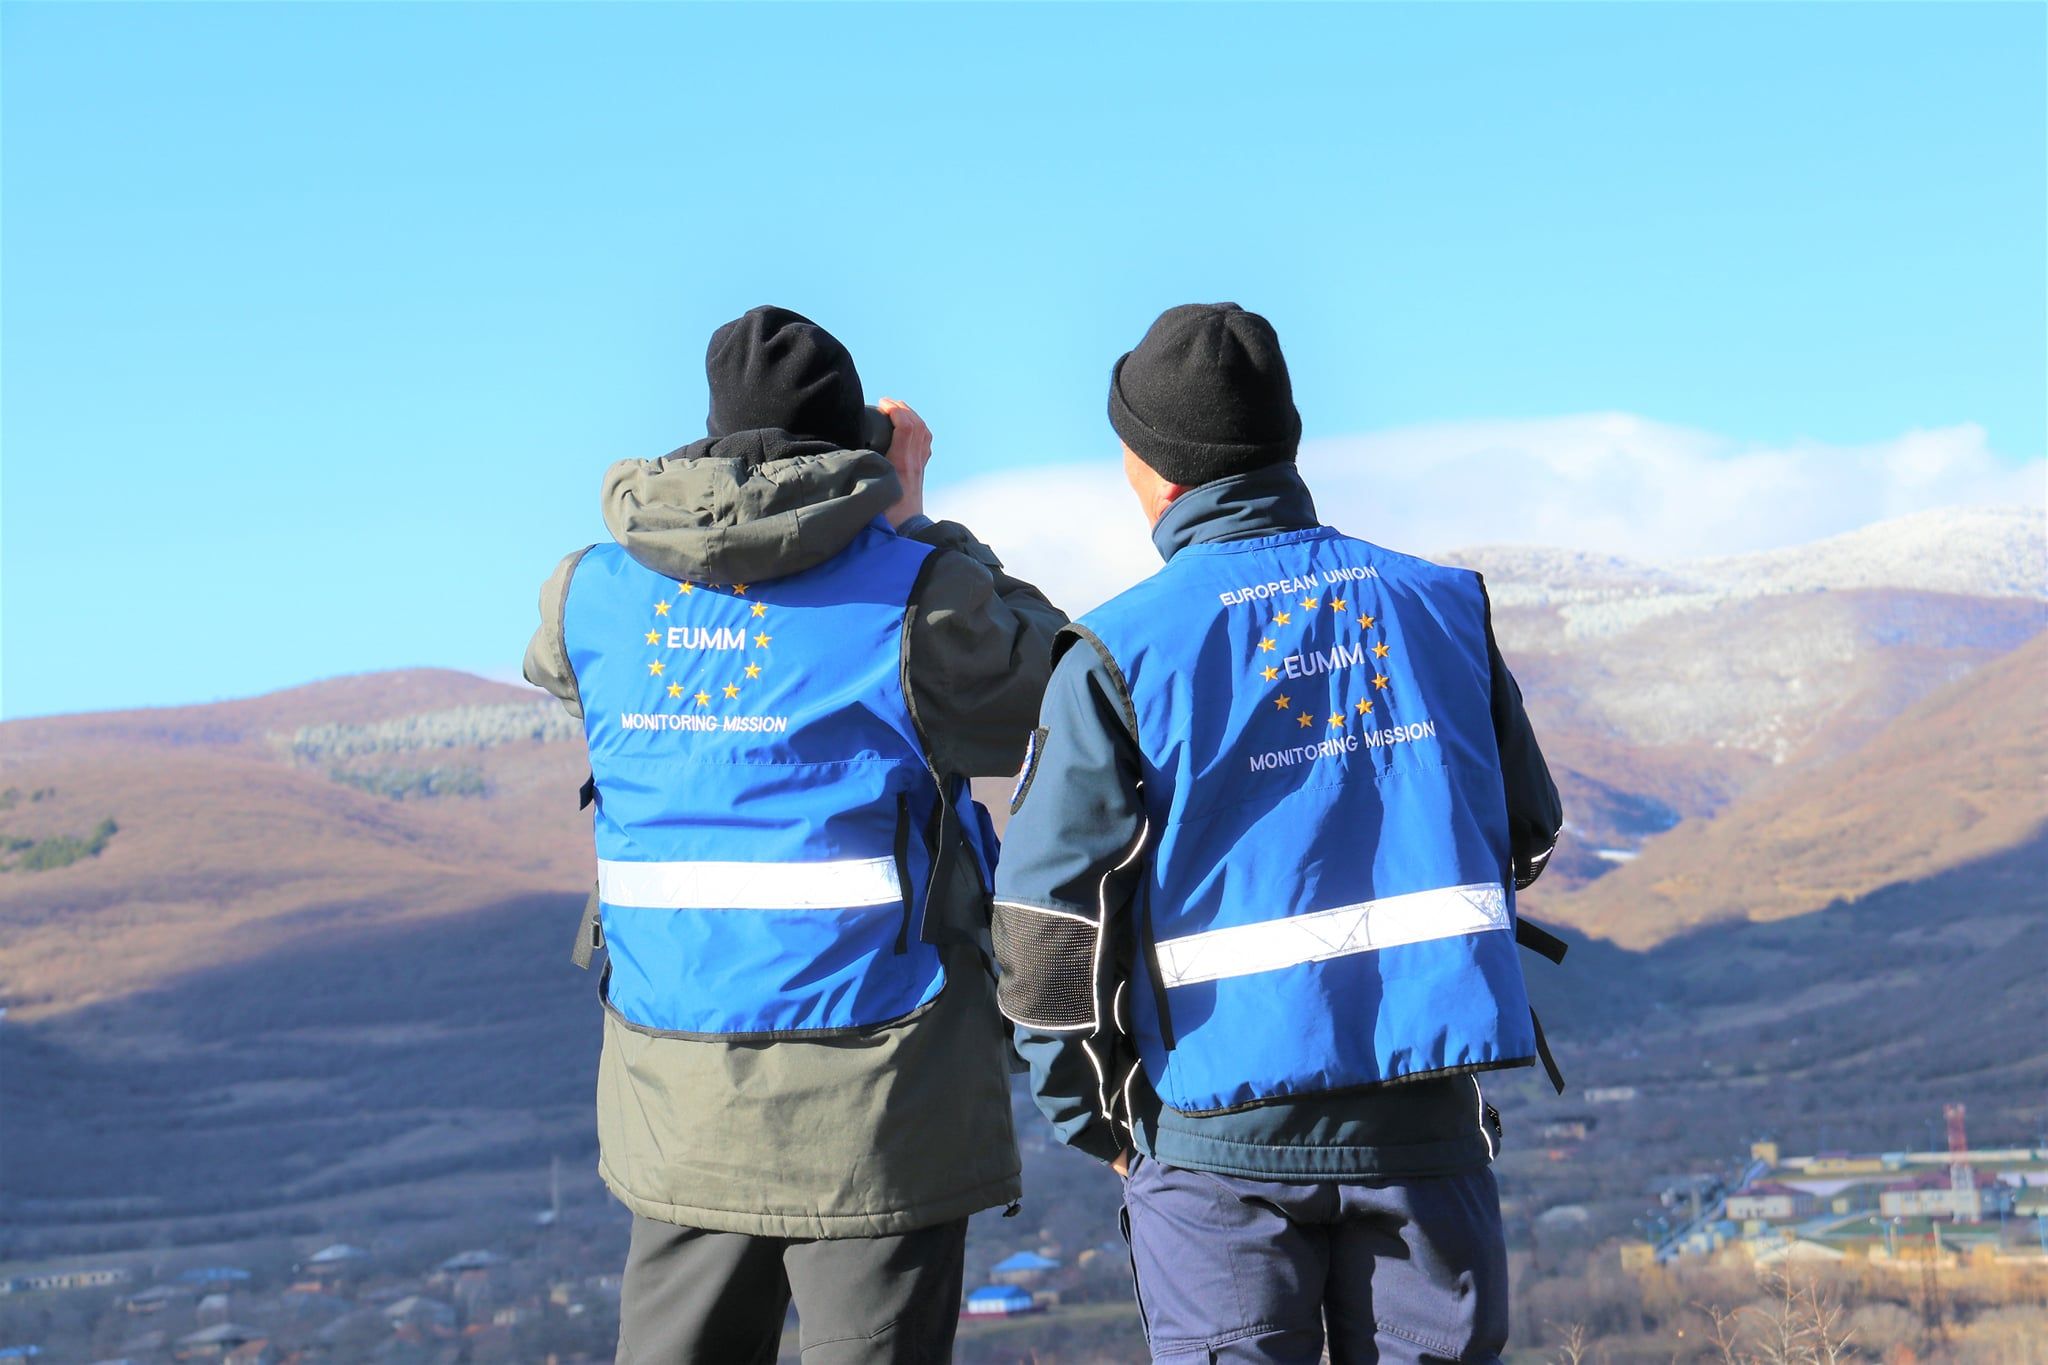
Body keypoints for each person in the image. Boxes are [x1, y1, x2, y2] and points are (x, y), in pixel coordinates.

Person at [991, 303, 1566, 1364]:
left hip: (1214, 1149)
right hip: (1425, 1128)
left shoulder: (1120, 650)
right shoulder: (1439, 606)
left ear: (1152, 468)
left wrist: (1102, 1124)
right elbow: (1525, 835)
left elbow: (1041, 935)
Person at [523, 305, 1066, 1364]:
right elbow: (1055, 688)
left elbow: (562, 670)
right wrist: (909, 521)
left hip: (675, 1097)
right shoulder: (919, 597)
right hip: (878, 1104)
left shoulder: (588, 594)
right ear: (860, 443)